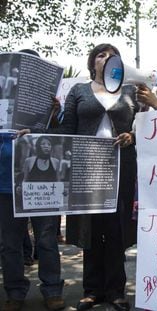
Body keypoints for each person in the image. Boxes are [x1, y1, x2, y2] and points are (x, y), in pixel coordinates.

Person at [54, 43, 146, 311]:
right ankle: (92, 290)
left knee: (116, 229)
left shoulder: (130, 91)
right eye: (101, 55)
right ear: (92, 62)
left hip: (122, 168)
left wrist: (133, 136)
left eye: (112, 56)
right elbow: (67, 128)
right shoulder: (79, 91)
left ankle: (116, 291)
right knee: (90, 228)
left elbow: (146, 125)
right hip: (86, 167)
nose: (107, 59)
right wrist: (38, 131)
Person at [0, 49, 65, 311]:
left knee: (47, 239)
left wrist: (55, 112)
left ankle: (52, 290)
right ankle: (15, 292)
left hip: (41, 181)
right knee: (9, 243)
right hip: (4, 180)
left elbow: (62, 133)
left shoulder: (50, 102)